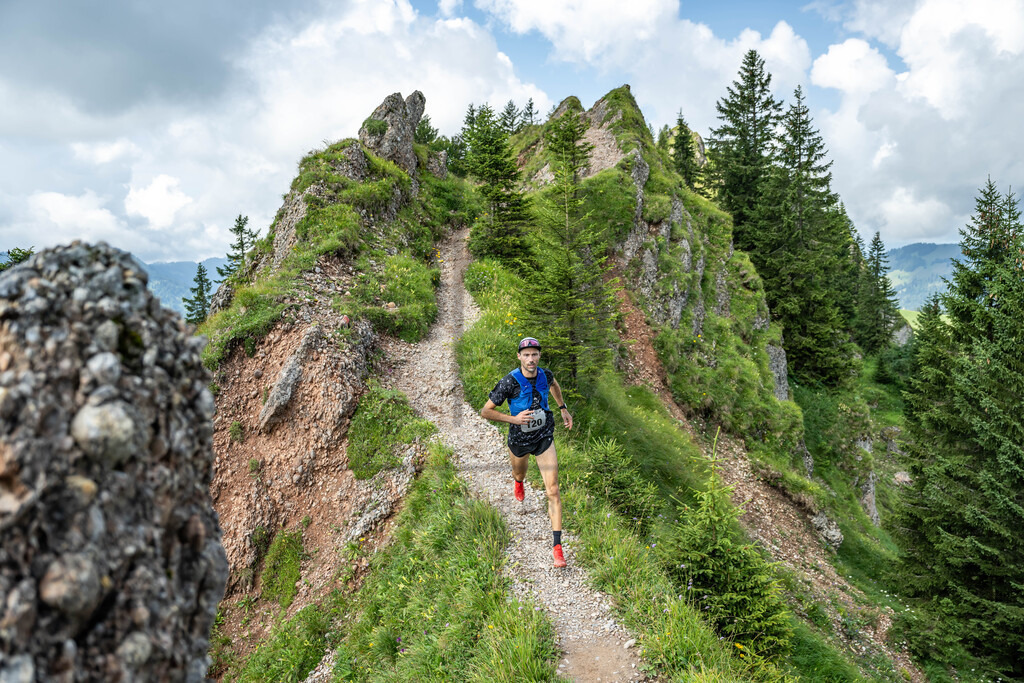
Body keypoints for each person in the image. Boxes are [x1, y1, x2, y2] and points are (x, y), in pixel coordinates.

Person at [480, 337, 573, 568]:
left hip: (544, 437)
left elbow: (554, 385)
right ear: (519, 357)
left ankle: (557, 548)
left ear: (539, 356)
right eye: (526, 355)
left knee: (553, 489)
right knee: (519, 473)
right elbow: (486, 411)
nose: (531, 359)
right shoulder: (509, 382)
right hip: (519, 440)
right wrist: (514, 419)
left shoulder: (546, 375)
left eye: (534, 354)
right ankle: (518, 482)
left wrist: (562, 408)